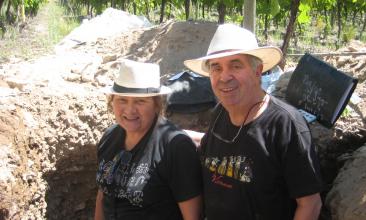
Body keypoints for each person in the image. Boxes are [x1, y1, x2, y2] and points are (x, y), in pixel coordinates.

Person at [183, 24, 323, 220]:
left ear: (257, 71)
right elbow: (218, 150)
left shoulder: (285, 125)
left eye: (235, 65)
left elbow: (310, 204)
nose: (224, 76)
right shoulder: (221, 112)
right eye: (217, 67)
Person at [94, 60, 203, 220]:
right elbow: (103, 193)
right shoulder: (110, 137)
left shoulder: (175, 146)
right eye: (122, 100)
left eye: (140, 101)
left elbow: (193, 216)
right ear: (112, 102)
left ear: (156, 104)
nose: (130, 110)